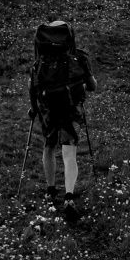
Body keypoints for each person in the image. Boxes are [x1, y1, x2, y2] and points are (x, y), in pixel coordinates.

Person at [28, 20, 98, 218]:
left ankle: (51, 189)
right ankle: (68, 195)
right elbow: (92, 86)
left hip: (47, 108)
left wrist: (34, 109)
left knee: (49, 146)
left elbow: (32, 87)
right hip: (71, 108)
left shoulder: (40, 61)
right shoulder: (79, 58)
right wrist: (84, 84)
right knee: (69, 151)